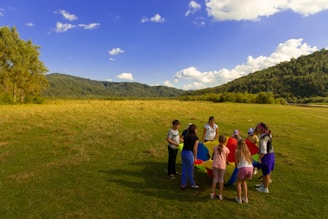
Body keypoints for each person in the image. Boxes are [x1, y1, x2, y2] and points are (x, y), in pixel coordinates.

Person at [254, 122, 274, 193]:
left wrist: (259, 158)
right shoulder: (268, 134)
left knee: (266, 173)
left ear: (262, 129)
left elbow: (263, 151)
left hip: (266, 156)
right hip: (271, 155)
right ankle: (264, 184)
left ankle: (265, 188)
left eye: (258, 127)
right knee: (268, 171)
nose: (256, 128)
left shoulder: (263, 138)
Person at [210, 135, 229, 200]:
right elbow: (226, 158)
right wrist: (227, 162)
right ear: (225, 141)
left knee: (215, 179)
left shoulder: (215, 147)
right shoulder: (226, 149)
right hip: (222, 166)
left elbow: (213, 154)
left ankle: (212, 193)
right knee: (221, 180)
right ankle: (220, 195)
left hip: (215, 165)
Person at [234, 139, 254, 204]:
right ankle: (245, 198)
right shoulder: (248, 152)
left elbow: (236, 162)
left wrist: (236, 166)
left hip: (243, 168)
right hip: (250, 168)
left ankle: (239, 198)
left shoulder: (238, 152)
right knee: (244, 181)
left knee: (238, 183)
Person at [181, 124, 199, 189]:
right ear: (194, 130)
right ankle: (192, 184)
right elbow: (195, 149)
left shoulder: (186, 136)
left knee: (184, 168)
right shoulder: (195, 138)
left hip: (183, 152)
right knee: (190, 170)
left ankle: (183, 184)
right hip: (189, 153)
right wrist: (195, 157)